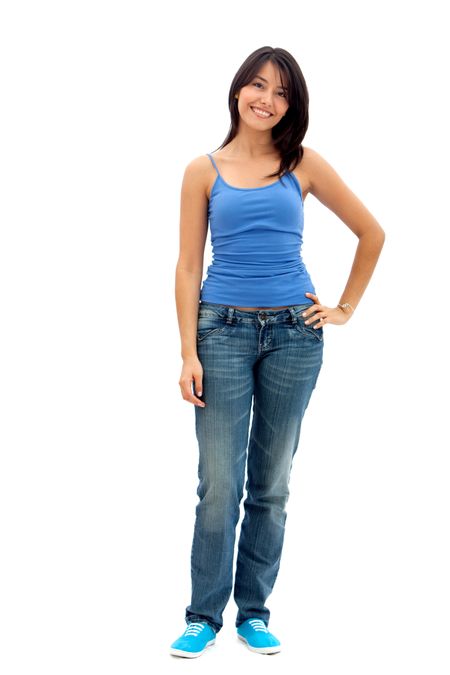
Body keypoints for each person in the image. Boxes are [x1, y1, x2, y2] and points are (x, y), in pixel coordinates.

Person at [170, 46, 385, 658]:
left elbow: (373, 233)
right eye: (258, 86)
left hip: (295, 333)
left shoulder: (304, 164)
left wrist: (343, 308)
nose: (268, 99)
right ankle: (202, 615)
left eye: (282, 92)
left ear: (294, 104)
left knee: (272, 482)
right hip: (222, 333)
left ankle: (254, 612)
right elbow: (188, 266)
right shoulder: (201, 169)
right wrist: (188, 351)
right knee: (218, 482)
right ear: (239, 90)